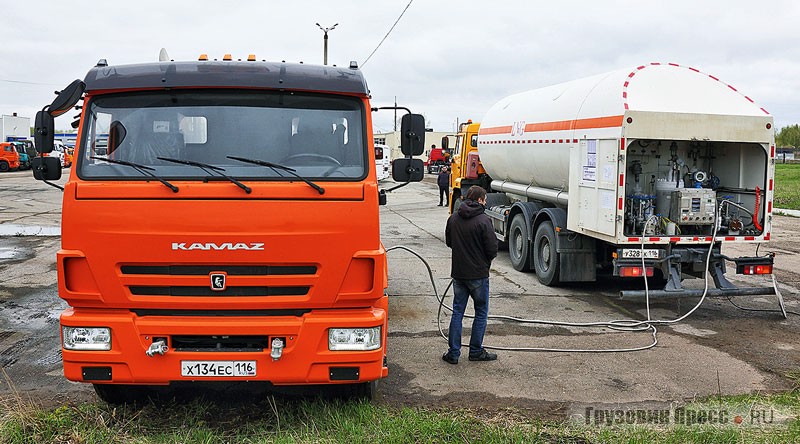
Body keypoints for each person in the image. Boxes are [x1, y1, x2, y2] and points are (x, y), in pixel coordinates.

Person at [442, 185, 498, 364]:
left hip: (459, 273)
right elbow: (492, 249)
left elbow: (450, 242)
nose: (486, 202)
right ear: (480, 200)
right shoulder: (483, 220)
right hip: (479, 275)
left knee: (457, 312)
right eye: (485, 199)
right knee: (480, 312)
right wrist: (484, 261)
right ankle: (475, 351)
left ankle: (453, 353)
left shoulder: (453, 218)